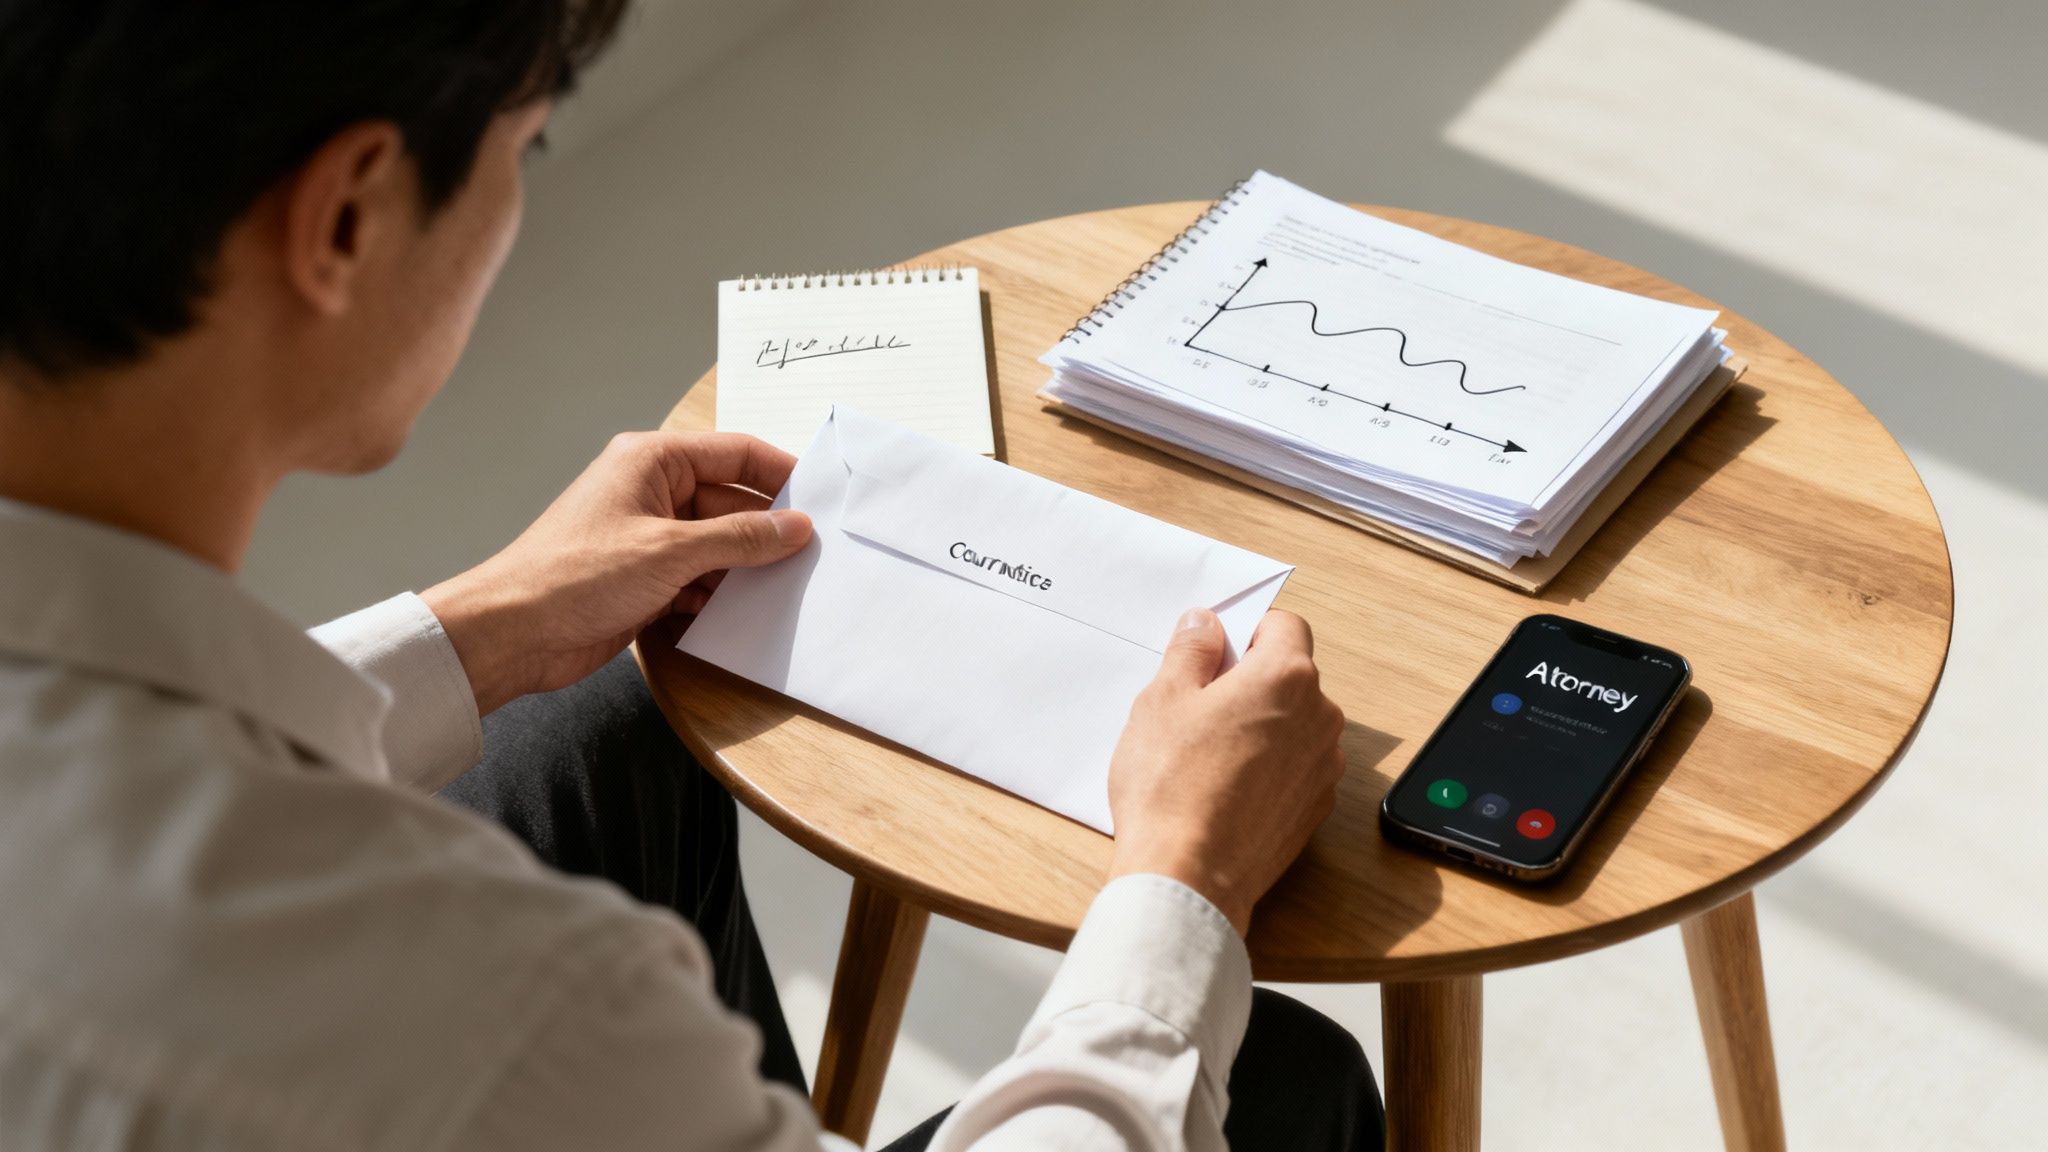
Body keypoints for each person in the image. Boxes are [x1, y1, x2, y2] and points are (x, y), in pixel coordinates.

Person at [0, 2, 1384, 1149]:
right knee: (1281, 1077)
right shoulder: (519, 1016)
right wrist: (1184, 875)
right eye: (522, 150)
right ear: (349, 217)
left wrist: (478, 627)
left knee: (592, 721)